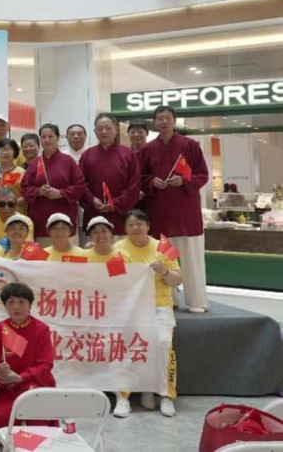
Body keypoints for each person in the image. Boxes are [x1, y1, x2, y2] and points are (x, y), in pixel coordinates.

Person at [138, 105, 209, 313]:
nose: (163, 122)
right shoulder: (147, 149)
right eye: (159, 119)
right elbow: (140, 178)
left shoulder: (190, 145)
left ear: (174, 120)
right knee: (164, 258)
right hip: (160, 214)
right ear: (154, 123)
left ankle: (197, 300)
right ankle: (169, 299)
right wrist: (151, 182)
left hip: (186, 214)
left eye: (167, 118)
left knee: (191, 260)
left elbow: (202, 175)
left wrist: (184, 181)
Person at [114, 209, 181, 418]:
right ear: (125, 228)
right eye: (130, 225)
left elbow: (178, 279)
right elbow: (112, 280)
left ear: (148, 226)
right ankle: (122, 397)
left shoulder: (165, 246)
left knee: (163, 342)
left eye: (139, 224)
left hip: (160, 306)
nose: (135, 228)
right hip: (130, 308)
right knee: (125, 345)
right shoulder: (117, 249)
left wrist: (164, 271)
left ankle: (166, 396)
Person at [0, 283, 56, 438]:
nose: (16, 307)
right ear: (5, 305)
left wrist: (20, 377)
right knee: (2, 418)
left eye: (21, 302)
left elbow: (46, 364)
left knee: (38, 419)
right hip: (9, 387)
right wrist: (2, 375)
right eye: (11, 302)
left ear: (30, 305)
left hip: (36, 383)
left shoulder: (41, 329)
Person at [20, 124, 85, 243]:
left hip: (65, 218)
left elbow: (80, 186)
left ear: (58, 138)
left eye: (50, 136)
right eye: (43, 137)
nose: (47, 140)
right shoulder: (34, 163)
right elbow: (24, 188)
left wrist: (60, 193)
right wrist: (39, 192)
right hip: (41, 219)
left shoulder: (68, 161)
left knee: (67, 252)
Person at [79, 113, 141, 235]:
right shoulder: (87, 155)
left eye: (108, 127)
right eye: (100, 128)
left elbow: (134, 184)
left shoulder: (128, 154)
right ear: (94, 131)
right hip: (95, 213)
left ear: (116, 129)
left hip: (121, 215)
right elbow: (80, 183)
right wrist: (92, 199)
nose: (104, 132)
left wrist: (116, 203)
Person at [0, 138, 27, 214]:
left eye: (8, 149)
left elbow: (27, 196)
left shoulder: (21, 172)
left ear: (15, 153)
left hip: (16, 214)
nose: (5, 152)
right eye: (2, 149)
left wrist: (10, 204)